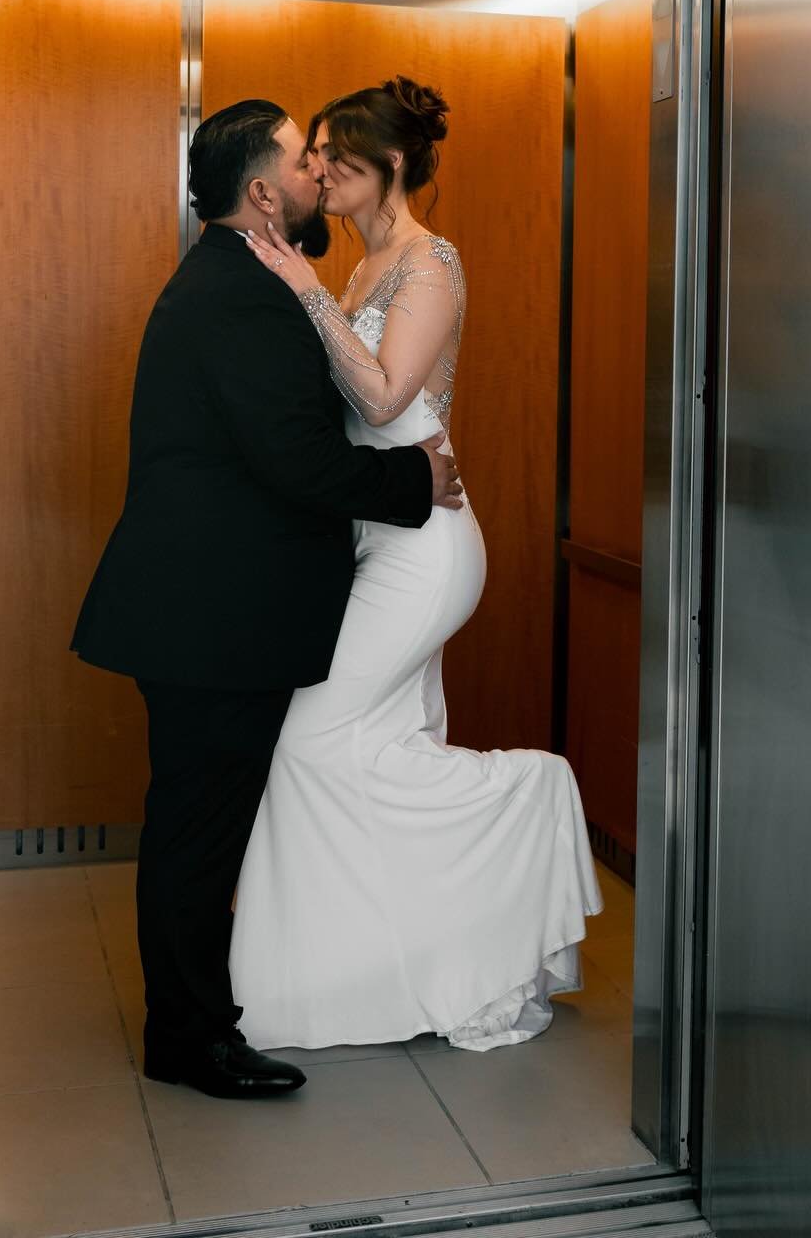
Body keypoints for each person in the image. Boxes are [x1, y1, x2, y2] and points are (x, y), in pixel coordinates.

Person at [69, 99, 464, 1100]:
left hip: (207, 611)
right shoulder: (240, 293)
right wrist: (420, 485)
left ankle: (199, 1022)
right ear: (261, 191)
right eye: (302, 159)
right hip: (212, 619)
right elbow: (296, 461)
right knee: (198, 837)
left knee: (194, 830)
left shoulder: (244, 278)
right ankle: (191, 1039)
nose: (316, 175)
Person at [233, 76, 602, 1051]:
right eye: (311, 157)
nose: (316, 173)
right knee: (372, 752)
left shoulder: (426, 264)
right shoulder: (361, 270)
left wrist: (306, 295)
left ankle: (537, 792)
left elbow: (391, 401)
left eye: (333, 160)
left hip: (427, 549)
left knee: (306, 742)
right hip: (375, 539)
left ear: (387, 167)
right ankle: (392, 975)